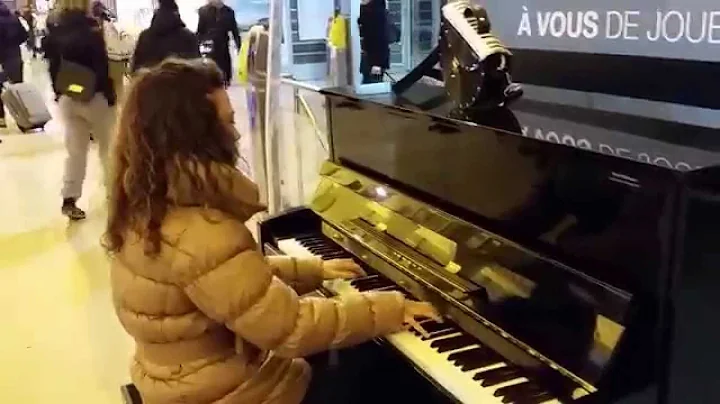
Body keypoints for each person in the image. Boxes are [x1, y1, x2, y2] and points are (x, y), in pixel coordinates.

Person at [104, 59, 439, 404]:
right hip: (236, 394)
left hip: (184, 383)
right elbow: (292, 328)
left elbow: (228, 283)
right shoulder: (199, 232)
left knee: (359, 358)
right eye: (227, 123)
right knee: (383, 376)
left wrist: (313, 270)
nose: (235, 134)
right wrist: (389, 309)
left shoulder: (148, 207)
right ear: (193, 136)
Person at [44, 1, 116, 220]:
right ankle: (115, 195)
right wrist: (109, 95)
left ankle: (69, 198)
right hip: (94, 96)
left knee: (75, 152)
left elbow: (52, 67)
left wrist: (59, 93)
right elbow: (101, 67)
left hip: (68, 96)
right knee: (109, 148)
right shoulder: (92, 30)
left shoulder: (53, 32)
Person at [130, 0, 199, 74]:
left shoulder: (144, 36)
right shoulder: (188, 37)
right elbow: (197, 69)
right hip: (181, 84)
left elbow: (136, 69)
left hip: (151, 83)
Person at [197, 0, 241, 86]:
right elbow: (200, 31)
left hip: (223, 45)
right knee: (210, 69)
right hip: (209, 46)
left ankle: (225, 80)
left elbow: (235, 31)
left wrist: (239, 47)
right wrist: (196, 45)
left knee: (224, 67)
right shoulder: (203, 11)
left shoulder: (228, 12)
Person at [0, 2, 28, 129]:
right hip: (14, 57)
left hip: (1, 58)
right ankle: (24, 120)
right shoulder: (13, 19)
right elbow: (24, 36)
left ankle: (1, 118)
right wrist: (13, 44)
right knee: (18, 89)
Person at [358, 0, 390, 84]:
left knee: (372, 85)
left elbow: (380, 38)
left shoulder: (376, 10)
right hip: (370, 57)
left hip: (374, 59)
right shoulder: (371, 8)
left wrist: (377, 63)